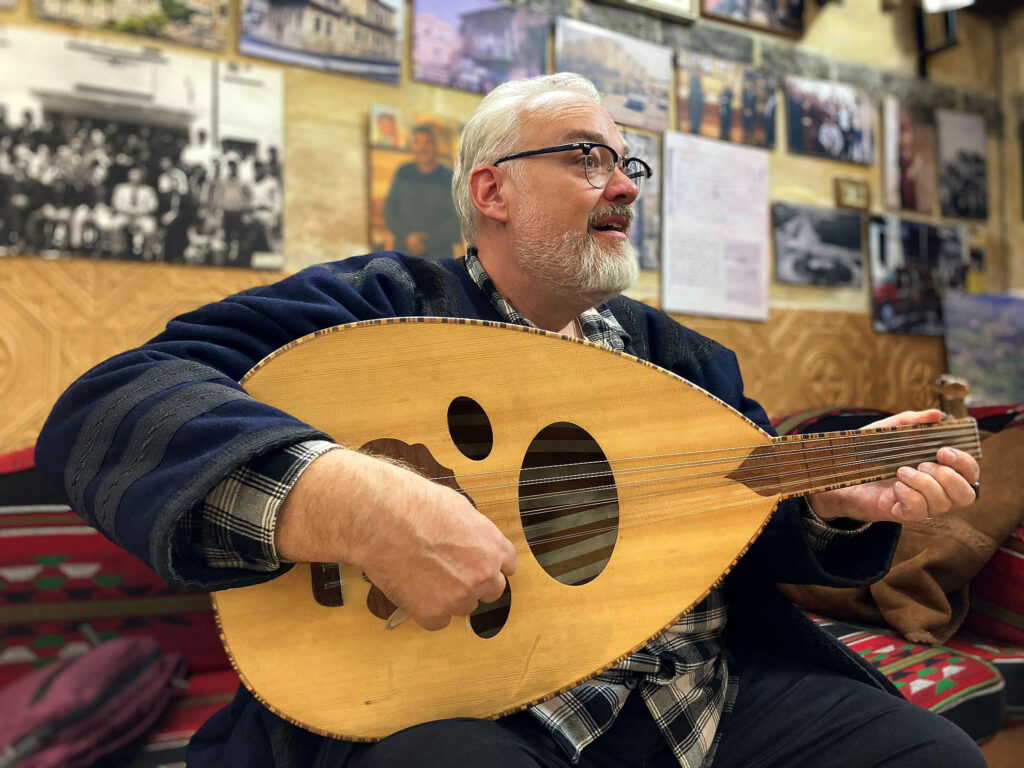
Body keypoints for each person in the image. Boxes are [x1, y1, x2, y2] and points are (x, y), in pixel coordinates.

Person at [36, 74, 984, 768]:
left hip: (700, 698)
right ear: (492, 191)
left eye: (629, 163)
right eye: (587, 158)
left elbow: (733, 517)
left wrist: (834, 504)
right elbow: (111, 405)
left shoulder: (681, 358)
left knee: (931, 757)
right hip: (470, 709)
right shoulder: (382, 304)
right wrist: (346, 499)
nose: (625, 186)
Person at [383, 123, 462, 261]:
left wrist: (428, 241)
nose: (422, 148)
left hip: (439, 258)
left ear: (435, 147)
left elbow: (457, 220)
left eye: (427, 142)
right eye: (417, 142)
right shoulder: (403, 173)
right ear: (413, 147)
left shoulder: (448, 177)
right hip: (403, 254)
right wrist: (406, 238)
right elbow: (390, 210)